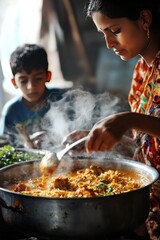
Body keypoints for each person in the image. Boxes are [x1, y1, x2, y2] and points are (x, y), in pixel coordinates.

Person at [63, 0, 160, 239]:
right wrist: (103, 135)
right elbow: (146, 138)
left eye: (115, 30)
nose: (108, 44)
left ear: (145, 19)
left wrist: (126, 119)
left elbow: (136, 121)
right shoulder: (141, 71)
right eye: (103, 34)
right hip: (151, 205)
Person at [0, 43, 66, 148]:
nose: (31, 86)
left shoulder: (61, 99)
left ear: (48, 76)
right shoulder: (12, 111)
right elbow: (5, 147)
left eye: (38, 78)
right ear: (14, 83)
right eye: (23, 81)